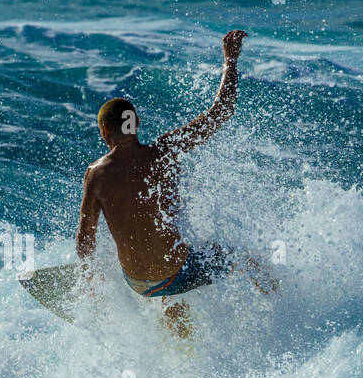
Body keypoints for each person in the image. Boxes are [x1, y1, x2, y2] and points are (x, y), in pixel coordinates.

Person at [75, 30, 275, 338]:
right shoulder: (165, 152)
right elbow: (220, 113)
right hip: (176, 273)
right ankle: (281, 306)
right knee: (241, 259)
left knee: (165, 292)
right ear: (136, 124)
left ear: (104, 131)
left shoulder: (96, 175)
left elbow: (85, 239)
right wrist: (230, 61)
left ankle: (176, 329)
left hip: (136, 281)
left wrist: (88, 281)